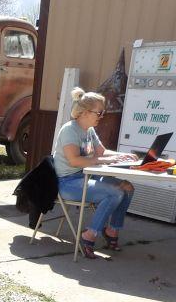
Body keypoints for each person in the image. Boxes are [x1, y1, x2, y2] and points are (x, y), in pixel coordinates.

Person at [52, 88, 136, 258]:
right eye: (99, 112)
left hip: (86, 176)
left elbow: (101, 152)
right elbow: (75, 160)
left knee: (127, 188)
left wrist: (122, 155)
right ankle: (88, 235)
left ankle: (112, 231)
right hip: (67, 182)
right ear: (84, 112)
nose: (101, 115)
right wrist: (102, 161)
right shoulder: (70, 130)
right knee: (115, 193)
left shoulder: (88, 130)